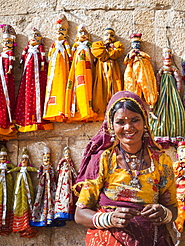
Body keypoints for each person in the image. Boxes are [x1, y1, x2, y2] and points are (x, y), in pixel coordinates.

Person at [73, 91, 177, 245]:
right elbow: (80, 214)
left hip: (150, 240)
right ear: (111, 126)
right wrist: (110, 219)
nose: (128, 127)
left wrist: (164, 213)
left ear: (145, 122)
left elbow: (172, 209)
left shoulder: (161, 161)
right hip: (108, 240)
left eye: (135, 120)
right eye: (120, 122)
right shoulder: (103, 160)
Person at [15, 27, 53, 132]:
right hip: (28, 71)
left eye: (36, 37)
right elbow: (23, 54)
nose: (33, 38)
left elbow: (42, 56)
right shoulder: (28, 48)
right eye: (32, 37)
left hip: (37, 71)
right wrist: (21, 61)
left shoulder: (39, 49)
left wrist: (42, 64)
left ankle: (38, 118)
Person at [150, 47, 185, 148]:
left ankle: (175, 133)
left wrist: (178, 90)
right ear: (162, 57)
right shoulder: (162, 70)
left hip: (173, 91)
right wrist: (157, 90)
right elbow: (157, 80)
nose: (168, 55)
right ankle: (161, 133)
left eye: (169, 53)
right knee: (161, 109)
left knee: (175, 110)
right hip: (163, 91)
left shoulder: (173, 69)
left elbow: (178, 79)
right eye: (166, 53)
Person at [65, 24, 98, 123]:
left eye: (85, 33)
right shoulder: (76, 45)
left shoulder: (89, 44)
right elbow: (71, 54)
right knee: (77, 87)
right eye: (80, 33)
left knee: (88, 86)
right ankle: (77, 110)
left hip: (88, 68)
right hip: (77, 68)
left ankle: (88, 108)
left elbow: (95, 54)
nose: (83, 35)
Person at [43, 14, 72, 122]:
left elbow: (68, 50)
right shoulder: (55, 43)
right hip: (54, 62)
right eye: (58, 29)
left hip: (62, 60)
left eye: (63, 29)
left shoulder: (64, 42)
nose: (60, 32)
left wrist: (70, 57)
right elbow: (50, 52)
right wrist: (49, 58)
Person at [91, 28, 124, 120]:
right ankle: (101, 113)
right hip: (101, 72)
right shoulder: (97, 45)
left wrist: (108, 51)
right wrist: (109, 51)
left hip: (114, 73)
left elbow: (116, 53)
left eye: (112, 35)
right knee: (101, 91)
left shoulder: (117, 46)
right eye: (107, 35)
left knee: (115, 90)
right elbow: (100, 53)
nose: (109, 37)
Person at [30, 146, 64, 227]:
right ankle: (39, 217)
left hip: (50, 184)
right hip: (43, 183)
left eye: (48, 157)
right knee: (40, 198)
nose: (46, 159)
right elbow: (39, 174)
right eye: (45, 157)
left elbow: (53, 175)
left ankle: (50, 217)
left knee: (51, 199)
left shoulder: (50, 166)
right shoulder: (42, 166)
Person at [9, 147, 38, 238]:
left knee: (27, 198)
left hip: (26, 185)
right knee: (18, 198)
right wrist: (9, 171)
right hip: (19, 184)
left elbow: (32, 169)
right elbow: (15, 169)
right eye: (23, 159)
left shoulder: (28, 168)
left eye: (26, 159)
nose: (24, 161)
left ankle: (26, 222)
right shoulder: (19, 168)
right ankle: (18, 223)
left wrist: (37, 170)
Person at [124, 33, 158, 108]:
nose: (136, 45)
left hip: (142, 71)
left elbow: (148, 57)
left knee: (147, 84)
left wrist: (139, 53)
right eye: (134, 44)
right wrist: (130, 56)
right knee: (132, 86)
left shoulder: (142, 54)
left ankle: (151, 104)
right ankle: (133, 105)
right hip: (132, 71)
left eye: (137, 44)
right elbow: (125, 61)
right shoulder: (130, 54)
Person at [54, 146, 77, 220]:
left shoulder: (70, 161)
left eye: (68, 153)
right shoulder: (63, 160)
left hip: (69, 178)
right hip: (63, 177)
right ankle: (60, 213)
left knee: (69, 194)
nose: (67, 154)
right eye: (66, 153)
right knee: (62, 194)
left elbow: (73, 168)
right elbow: (58, 167)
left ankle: (68, 213)